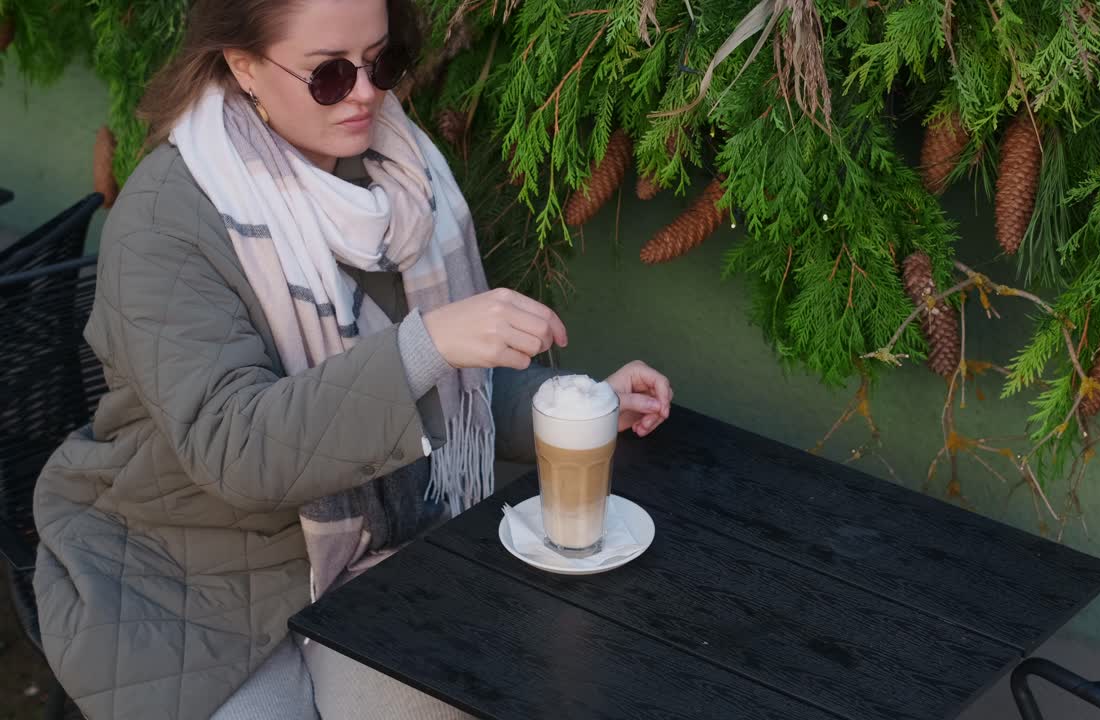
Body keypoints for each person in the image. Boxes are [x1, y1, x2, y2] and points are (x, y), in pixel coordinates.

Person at [31, 1, 673, 718]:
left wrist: (583, 409)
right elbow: (233, 446)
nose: (366, 93)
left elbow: (450, 393)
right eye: (329, 74)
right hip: (191, 576)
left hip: (380, 546)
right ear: (243, 65)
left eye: (381, 62)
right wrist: (428, 344)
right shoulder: (166, 218)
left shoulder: (401, 179)